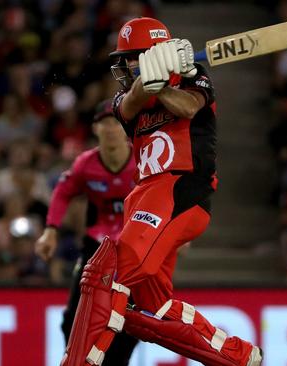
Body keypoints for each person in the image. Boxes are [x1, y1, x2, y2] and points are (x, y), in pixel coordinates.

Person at [61, 18, 262, 366]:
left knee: (104, 273)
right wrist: (148, 81)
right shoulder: (127, 98)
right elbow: (128, 104)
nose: (122, 67)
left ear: (148, 54)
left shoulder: (194, 76)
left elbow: (187, 107)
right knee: (149, 310)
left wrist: (167, 84)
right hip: (144, 195)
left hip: (180, 190)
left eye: (128, 59)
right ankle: (236, 357)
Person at [34, 100, 139, 365]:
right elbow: (62, 192)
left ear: (125, 127)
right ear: (95, 128)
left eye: (117, 122)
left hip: (136, 248)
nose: (112, 129)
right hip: (96, 246)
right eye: (106, 123)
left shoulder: (142, 159)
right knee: (72, 318)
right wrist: (50, 231)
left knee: (132, 318)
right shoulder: (86, 164)